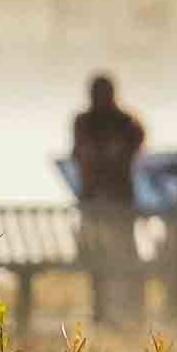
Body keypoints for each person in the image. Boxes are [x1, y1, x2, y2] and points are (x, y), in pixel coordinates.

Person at [69, 72, 146, 326]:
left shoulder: (84, 123)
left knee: (105, 257)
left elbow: (79, 155)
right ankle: (126, 310)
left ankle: (107, 311)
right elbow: (132, 151)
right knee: (119, 255)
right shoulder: (128, 123)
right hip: (117, 202)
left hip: (98, 202)